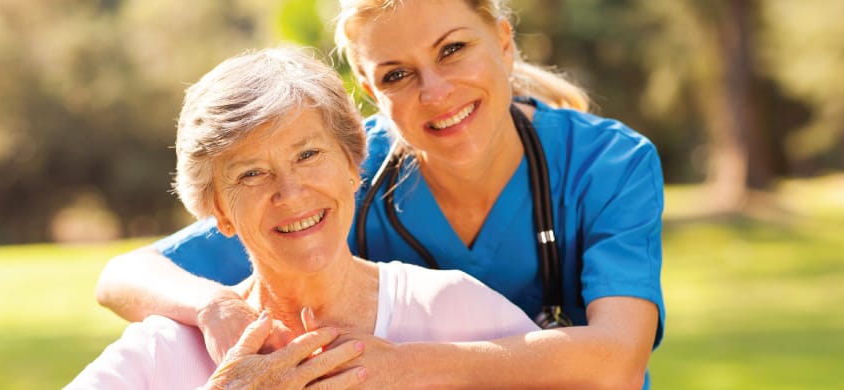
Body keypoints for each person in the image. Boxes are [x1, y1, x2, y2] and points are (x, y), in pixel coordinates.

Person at [96, 0, 666, 388]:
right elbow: (122, 275)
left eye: (452, 50)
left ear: (503, 40)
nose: (436, 91)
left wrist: (404, 368)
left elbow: (616, 362)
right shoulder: (329, 171)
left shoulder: (606, 164)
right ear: (368, 90)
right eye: (397, 74)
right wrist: (213, 305)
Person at [68, 47, 539, 389]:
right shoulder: (160, 352)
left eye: (309, 154)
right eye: (252, 173)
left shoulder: (461, 311)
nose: (290, 193)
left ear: (354, 165)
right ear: (218, 212)